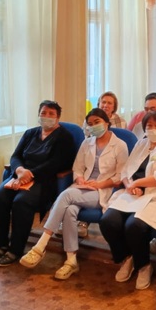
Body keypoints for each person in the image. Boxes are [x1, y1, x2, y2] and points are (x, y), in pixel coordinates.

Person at [19, 108, 128, 279]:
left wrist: (99, 184)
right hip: (82, 187)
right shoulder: (87, 143)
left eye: (97, 122)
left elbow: (121, 176)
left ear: (107, 122)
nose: (93, 126)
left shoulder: (120, 145)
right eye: (90, 124)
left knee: (66, 196)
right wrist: (80, 179)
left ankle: (40, 245)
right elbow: (77, 168)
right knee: (69, 210)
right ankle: (71, 261)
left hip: (103, 190)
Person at [0, 100, 75, 267]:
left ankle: (16, 249)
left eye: (51, 114)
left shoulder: (64, 137)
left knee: (21, 202)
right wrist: (20, 170)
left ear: (58, 117)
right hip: (20, 176)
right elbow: (15, 156)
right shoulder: (30, 133)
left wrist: (30, 174)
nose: (46, 116)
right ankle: (1, 245)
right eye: (43, 113)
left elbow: (55, 163)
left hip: (44, 180)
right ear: (38, 115)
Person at [100, 111, 156, 290]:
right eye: (149, 126)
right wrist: (130, 185)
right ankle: (127, 257)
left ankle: (144, 265)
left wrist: (138, 183)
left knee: (134, 226)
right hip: (133, 193)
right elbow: (126, 171)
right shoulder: (141, 143)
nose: (153, 129)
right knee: (107, 222)